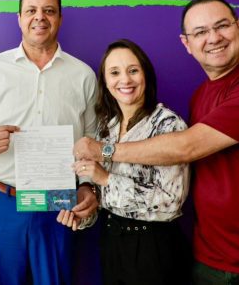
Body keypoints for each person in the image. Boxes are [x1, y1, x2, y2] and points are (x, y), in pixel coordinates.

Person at [75, 0, 239, 283]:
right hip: (211, 258)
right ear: (187, 43)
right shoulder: (200, 97)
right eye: (200, 32)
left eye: (222, 26)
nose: (213, 38)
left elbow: (187, 149)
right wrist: (88, 197)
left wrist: (103, 154)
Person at [0, 0, 99, 285]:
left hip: (58, 203)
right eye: (31, 10)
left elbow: (91, 140)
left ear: (60, 18)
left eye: (48, 11)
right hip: (4, 199)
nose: (39, 17)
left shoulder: (82, 75)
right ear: (19, 18)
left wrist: (87, 186)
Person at [63, 39, 191, 284]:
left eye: (133, 70)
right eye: (114, 73)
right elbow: (106, 198)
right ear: (105, 82)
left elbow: (170, 201)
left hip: (154, 248)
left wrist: (106, 178)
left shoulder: (167, 124)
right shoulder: (107, 128)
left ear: (146, 74)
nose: (125, 80)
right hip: (112, 242)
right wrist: (85, 209)